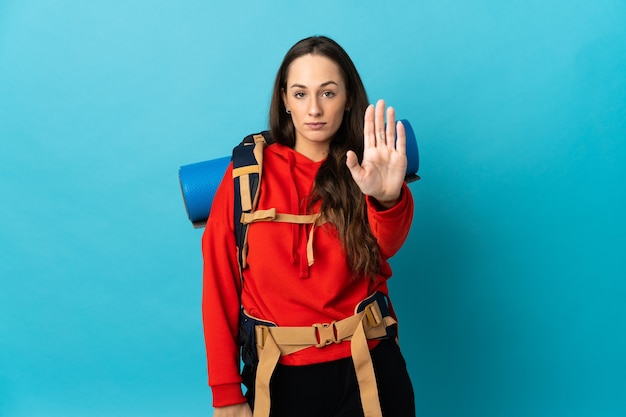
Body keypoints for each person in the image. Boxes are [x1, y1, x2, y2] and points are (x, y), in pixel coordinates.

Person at [202, 35, 415, 417]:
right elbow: (218, 286)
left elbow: (386, 246)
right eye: (300, 94)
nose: (314, 109)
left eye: (328, 93)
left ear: (349, 97)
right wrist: (226, 394)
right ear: (284, 99)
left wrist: (386, 197)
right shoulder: (245, 177)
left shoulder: (369, 168)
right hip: (280, 379)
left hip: (370, 366)